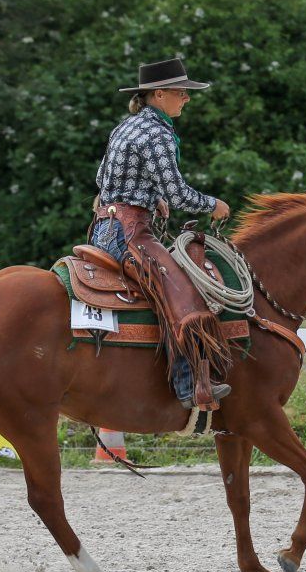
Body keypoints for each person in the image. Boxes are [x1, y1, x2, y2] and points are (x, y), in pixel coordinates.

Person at [91, 57, 233, 411]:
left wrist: (151, 198)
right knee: (183, 291)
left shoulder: (127, 126)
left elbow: (102, 180)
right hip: (129, 232)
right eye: (181, 92)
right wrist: (213, 204)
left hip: (103, 227)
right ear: (158, 94)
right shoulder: (158, 133)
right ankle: (189, 385)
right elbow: (179, 194)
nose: (186, 98)